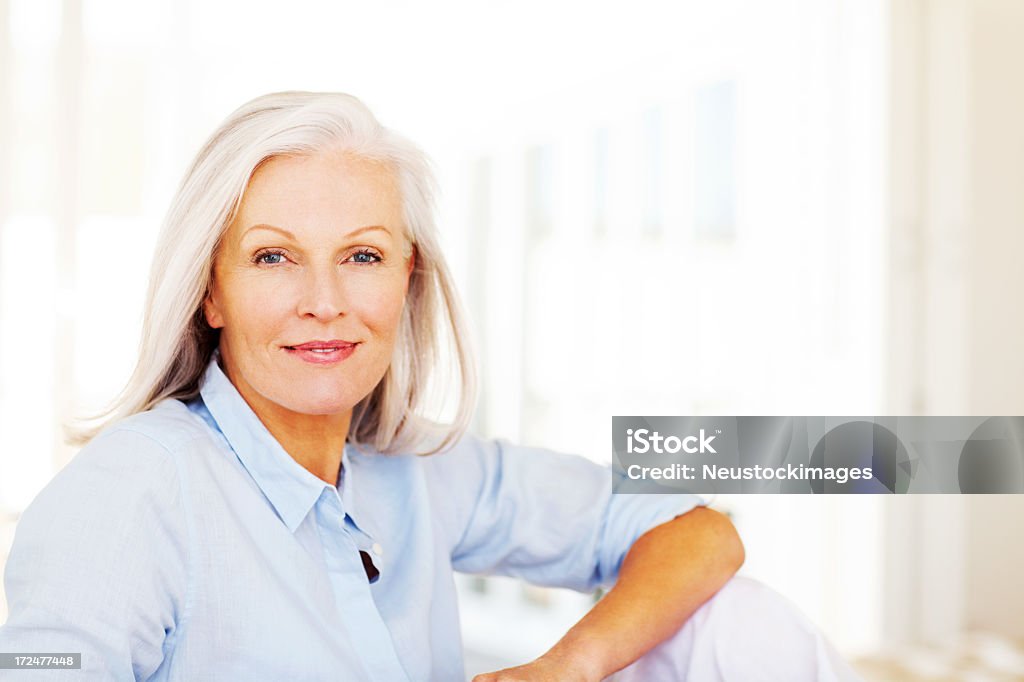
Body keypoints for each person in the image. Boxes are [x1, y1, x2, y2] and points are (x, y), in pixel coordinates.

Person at [0, 91, 861, 681]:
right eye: (274, 257)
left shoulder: (416, 468)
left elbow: (701, 533)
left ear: (407, 280)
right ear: (211, 290)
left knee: (736, 620)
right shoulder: (134, 493)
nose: (325, 303)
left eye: (363, 256)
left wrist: (570, 664)